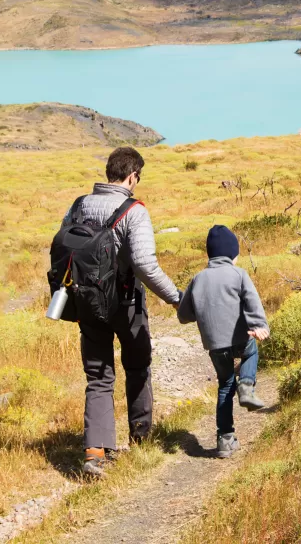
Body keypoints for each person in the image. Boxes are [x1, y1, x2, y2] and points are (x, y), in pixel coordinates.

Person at [64, 146, 181, 478]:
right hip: (126, 302)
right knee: (138, 365)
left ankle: (95, 454)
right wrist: (175, 297)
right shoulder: (134, 210)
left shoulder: (77, 206)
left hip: (86, 303)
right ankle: (141, 437)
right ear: (133, 176)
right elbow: (144, 264)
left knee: (99, 377)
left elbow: (62, 248)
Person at [177, 224, 270, 459]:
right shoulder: (239, 274)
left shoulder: (198, 279)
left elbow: (183, 315)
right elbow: (252, 302)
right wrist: (260, 326)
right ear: (232, 254)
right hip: (239, 337)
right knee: (250, 352)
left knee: (225, 386)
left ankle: (225, 440)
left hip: (214, 345)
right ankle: (247, 386)